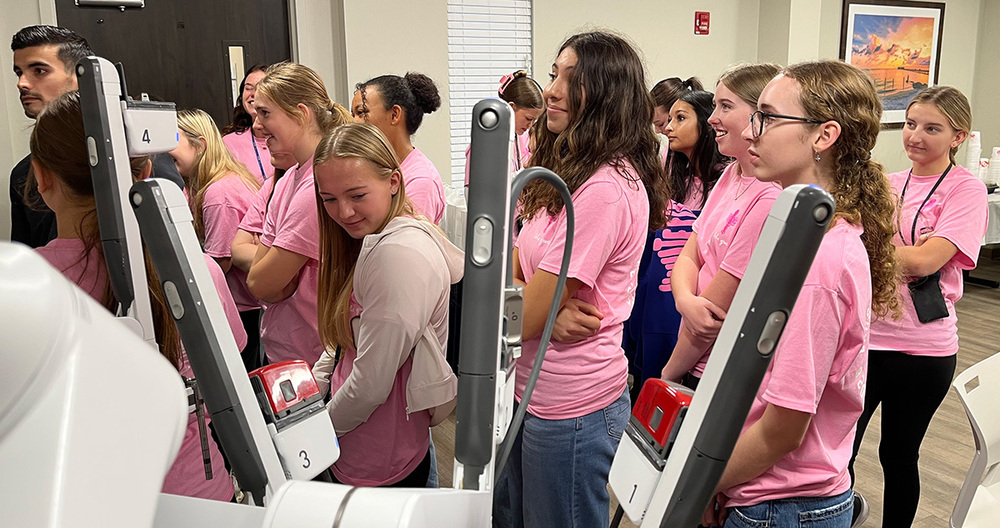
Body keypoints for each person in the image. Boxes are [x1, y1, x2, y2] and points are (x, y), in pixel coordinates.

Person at [700, 60, 900, 528]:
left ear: (823, 136)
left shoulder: (821, 261)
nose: (750, 131)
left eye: (767, 117)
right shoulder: (797, 233)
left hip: (780, 503)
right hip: (763, 489)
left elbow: (783, 430)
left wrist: (701, 484)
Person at [27, 91, 246, 502]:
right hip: (201, 494)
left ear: (41, 177)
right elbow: (228, 363)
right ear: (144, 170)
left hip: (87, 502)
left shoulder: (23, 287)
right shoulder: (199, 270)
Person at [493, 31, 669, 528]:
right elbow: (512, 269)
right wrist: (541, 308)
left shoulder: (604, 189)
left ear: (607, 94)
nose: (551, 90)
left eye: (571, 79)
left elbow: (519, 314)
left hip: (570, 408)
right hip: (527, 389)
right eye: (554, 74)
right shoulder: (566, 173)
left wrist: (535, 308)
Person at [849, 86, 988, 528]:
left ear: (958, 137)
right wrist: (900, 252)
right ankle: (837, 515)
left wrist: (878, 250)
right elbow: (854, 244)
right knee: (840, 450)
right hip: (867, 339)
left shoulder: (966, 191)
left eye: (932, 128)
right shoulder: (888, 184)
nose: (915, 136)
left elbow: (927, 261)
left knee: (897, 454)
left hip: (923, 350)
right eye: (911, 124)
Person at [310, 123, 460, 487]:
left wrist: (316, 432)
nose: (344, 212)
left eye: (357, 195)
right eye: (329, 199)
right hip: (367, 439)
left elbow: (371, 384)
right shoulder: (375, 237)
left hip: (377, 452)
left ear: (393, 181)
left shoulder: (396, 255)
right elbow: (347, 336)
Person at [660, 63, 782, 390]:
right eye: (715, 106)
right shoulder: (731, 173)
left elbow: (712, 313)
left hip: (717, 366)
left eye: (725, 106)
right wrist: (685, 300)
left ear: (762, 116)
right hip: (692, 347)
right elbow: (690, 253)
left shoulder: (769, 198)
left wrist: (668, 374)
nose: (712, 118)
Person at [246, 62, 352, 366]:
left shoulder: (317, 184)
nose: (257, 126)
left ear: (301, 114)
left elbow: (261, 284)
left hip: (314, 357)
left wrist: (274, 277)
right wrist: (275, 277)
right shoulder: (288, 179)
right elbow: (261, 279)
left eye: (265, 113)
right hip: (288, 351)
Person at [172, 108, 262, 360]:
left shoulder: (218, 193)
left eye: (173, 139)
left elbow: (219, 263)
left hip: (243, 308)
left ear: (200, 145)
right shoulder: (199, 184)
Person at [9, 25, 92, 247]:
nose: (21, 83)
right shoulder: (22, 174)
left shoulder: (132, 158)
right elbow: (27, 258)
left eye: (39, 70)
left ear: (80, 76)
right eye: (19, 72)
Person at [351, 72, 446, 223]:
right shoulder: (373, 167)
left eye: (361, 112)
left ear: (395, 114)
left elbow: (406, 236)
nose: (353, 123)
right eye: (353, 115)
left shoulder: (421, 181)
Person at [464, 70, 544, 185]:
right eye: (528, 118)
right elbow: (475, 190)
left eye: (534, 120)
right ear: (511, 107)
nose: (530, 125)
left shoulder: (524, 137)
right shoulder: (484, 145)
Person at [664, 89, 727, 213]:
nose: (668, 127)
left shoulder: (727, 178)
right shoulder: (678, 178)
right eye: (670, 120)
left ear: (706, 122)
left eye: (680, 118)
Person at [222, 64, 274, 184]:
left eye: (260, 87)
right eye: (248, 88)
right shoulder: (228, 143)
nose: (253, 93)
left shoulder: (287, 139)